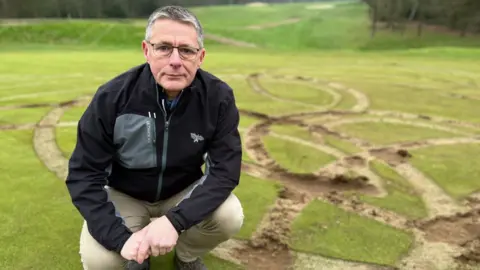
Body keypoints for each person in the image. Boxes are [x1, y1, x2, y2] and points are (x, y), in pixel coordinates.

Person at [65, 5, 244, 270]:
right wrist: (121, 240)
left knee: (230, 215)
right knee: (101, 262)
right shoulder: (112, 97)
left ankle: (185, 256)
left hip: (181, 192)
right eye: (163, 48)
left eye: (186, 50)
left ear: (201, 56)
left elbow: (225, 172)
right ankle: (137, 252)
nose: (175, 60)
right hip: (125, 194)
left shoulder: (218, 98)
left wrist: (175, 221)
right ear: (146, 51)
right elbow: (84, 175)